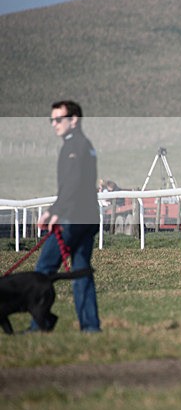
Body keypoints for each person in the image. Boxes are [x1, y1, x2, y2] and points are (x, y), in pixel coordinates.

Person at [31, 100, 101, 332]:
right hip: (86, 218)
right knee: (81, 271)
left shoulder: (74, 147)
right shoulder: (83, 145)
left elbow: (73, 185)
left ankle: (38, 325)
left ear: (74, 120)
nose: (54, 124)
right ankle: (90, 327)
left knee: (44, 269)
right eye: (51, 120)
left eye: (58, 119)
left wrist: (56, 212)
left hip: (73, 219)